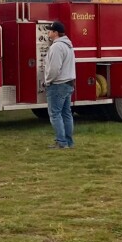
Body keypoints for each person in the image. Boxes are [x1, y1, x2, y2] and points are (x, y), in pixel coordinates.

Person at [43, 20, 76, 149]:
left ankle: (61, 142)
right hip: (68, 83)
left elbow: (54, 68)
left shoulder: (56, 47)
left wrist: (47, 81)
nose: (48, 32)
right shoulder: (68, 45)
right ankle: (69, 141)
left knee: (55, 114)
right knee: (66, 113)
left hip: (58, 84)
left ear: (55, 33)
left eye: (50, 30)